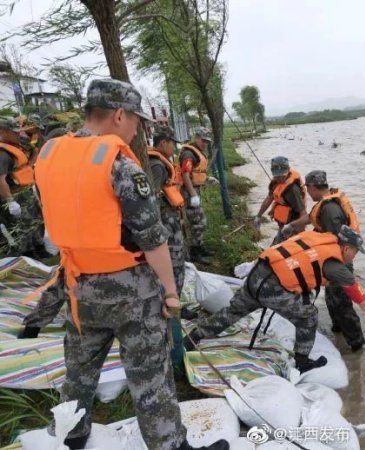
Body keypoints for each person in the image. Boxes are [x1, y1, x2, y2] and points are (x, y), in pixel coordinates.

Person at [34, 78, 226, 450]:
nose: (138, 127)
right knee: (150, 378)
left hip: (78, 286)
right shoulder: (118, 164)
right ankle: (170, 446)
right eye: (135, 119)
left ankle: (72, 436)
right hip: (131, 293)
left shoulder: (49, 155)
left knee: (79, 371)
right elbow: (153, 238)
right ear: (119, 114)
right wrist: (171, 293)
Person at [184, 226, 365, 373]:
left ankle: (194, 337)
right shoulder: (337, 267)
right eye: (354, 251)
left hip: (258, 273)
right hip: (273, 287)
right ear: (346, 247)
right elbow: (364, 302)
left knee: (232, 312)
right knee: (309, 317)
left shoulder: (320, 236)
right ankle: (302, 362)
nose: (354, 256)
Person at [299, 169, 365, 351]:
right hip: (331, 262)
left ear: (312, 187)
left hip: (337, 262)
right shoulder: (327, 202)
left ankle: (356, 344)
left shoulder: (330, 209)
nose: (308, 193)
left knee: (342, 303)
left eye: (308, 189)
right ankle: (338, 331)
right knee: (332, 298)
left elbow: (338, 238)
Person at [148, 126, 187, 372]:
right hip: (165, 234)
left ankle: (174, 311)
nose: (174, 147)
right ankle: (171, 333)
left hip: (171, 228)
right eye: (171, 143)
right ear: (163, 143)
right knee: (171, 275)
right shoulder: (157, 166)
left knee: (177, 271)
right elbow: (150, 201)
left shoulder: (162, 163)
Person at [0, 116, 47, 258]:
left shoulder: (17, 145)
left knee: (36, 221)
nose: (17, 134)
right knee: (22, 228)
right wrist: (10, 202)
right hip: (14, 196)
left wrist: (30, 164)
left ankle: (40, 249)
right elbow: (1, 180)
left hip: (25, 193)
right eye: (13, 132)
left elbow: (33, 152)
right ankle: (27, 255)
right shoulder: (2, 154)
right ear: (3, 131)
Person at [254, 156, 308, 244]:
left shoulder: (293, 190)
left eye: (282, 175)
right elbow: (269, 198)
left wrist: (296, 231)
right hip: (283, 225)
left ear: (288, 170)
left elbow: (303, 215)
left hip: (294, 227)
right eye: (277, 176)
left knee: (276, 250)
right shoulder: (275, 182)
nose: (280, 179)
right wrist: (258, 216)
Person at [179, 128, 211, 264]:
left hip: (195, 190)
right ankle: (195, 251)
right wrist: (192, 195)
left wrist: (207, 179)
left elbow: (196, 172)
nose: (205, 143)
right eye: (203, 140)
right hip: (189, 192)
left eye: (207, 141)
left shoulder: (195, 152)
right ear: (196, 137)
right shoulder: (188, 154)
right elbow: (185, 175)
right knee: (198, 222)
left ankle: (200, 246)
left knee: (198, 220)